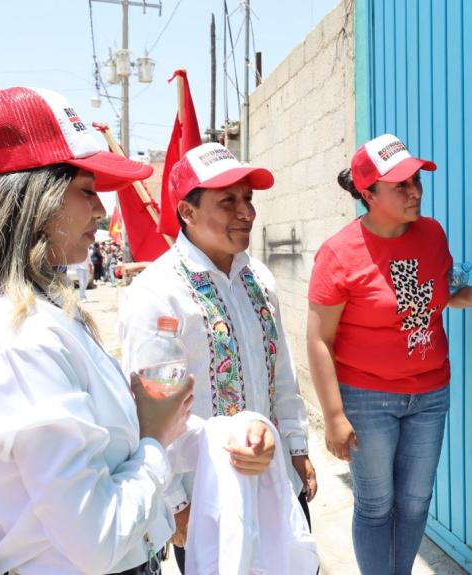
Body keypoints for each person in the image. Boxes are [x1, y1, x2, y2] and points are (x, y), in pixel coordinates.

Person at [0, 86, 193, 575]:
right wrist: (154, 439)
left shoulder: (43, 312)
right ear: (32, 198)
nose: (101, 210)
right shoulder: (22, 334)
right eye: (87, 190)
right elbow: (98, 539)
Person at [307, 133, 472, 574]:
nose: (415, 191)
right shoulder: (339, 253)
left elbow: (433, 297)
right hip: (367, 399)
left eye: (416, 180)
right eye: (401, 185)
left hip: (430, 395)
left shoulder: (431, 233)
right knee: (377, 505)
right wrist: (334, 415)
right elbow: (319, 339)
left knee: (416, 503)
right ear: (368, 193)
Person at [118, 142, 314, 573]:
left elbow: (281, 372)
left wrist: (296, 448)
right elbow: (154, 411)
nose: (247, 212)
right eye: (228, 201)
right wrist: (176, 503)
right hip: (209, 499)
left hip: (277, 482)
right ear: (187, 212)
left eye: (248, 198)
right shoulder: (158, 294)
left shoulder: (258, 278)